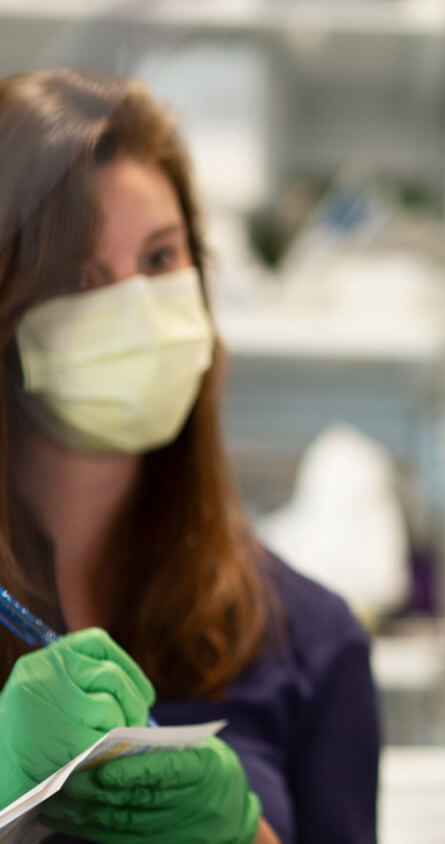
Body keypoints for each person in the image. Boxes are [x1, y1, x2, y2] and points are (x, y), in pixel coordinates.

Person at [0, 70, 379, 843]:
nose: (136, 307)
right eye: (80, 276)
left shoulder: (309, 636)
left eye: (161, 259)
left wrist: (244, 834)